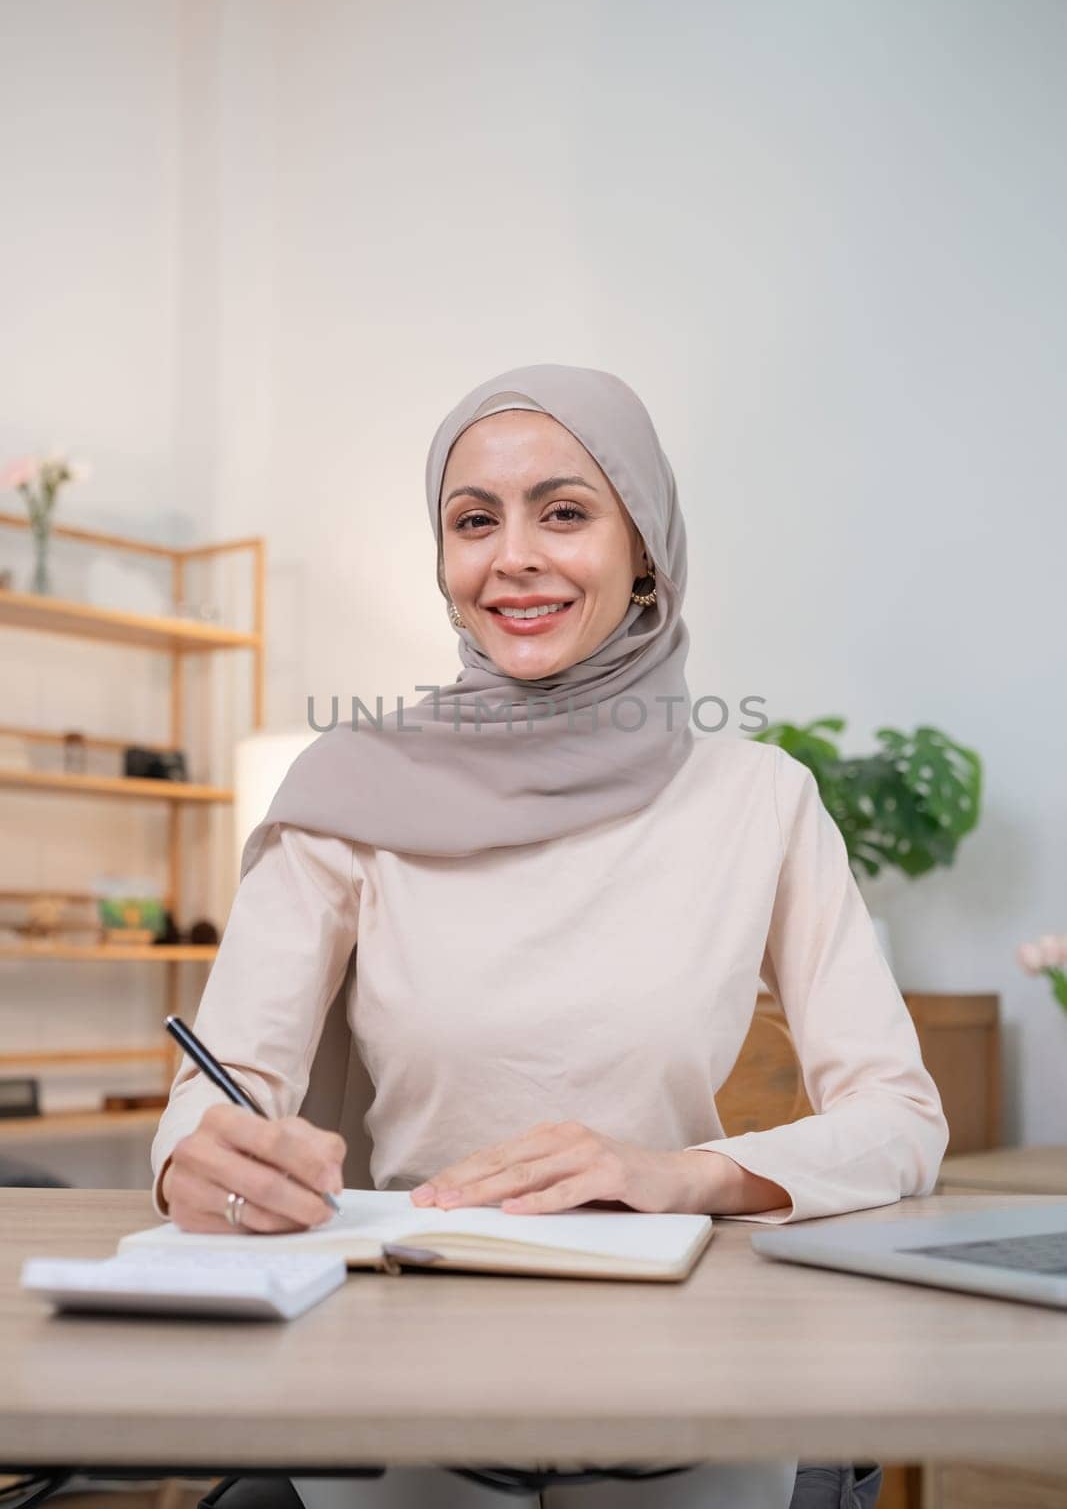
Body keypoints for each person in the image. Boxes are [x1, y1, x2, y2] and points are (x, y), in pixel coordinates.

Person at [151, 364, 949, 1508]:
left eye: (563, 511)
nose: (511, 555)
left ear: (645, 555)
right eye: (472, 520)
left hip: (684, 1371)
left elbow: (898, 1116)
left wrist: (679, 1175)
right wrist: (200, 1158)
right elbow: (220, 1092)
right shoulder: (345, 790)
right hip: (397, 1382)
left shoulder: (758, 797)